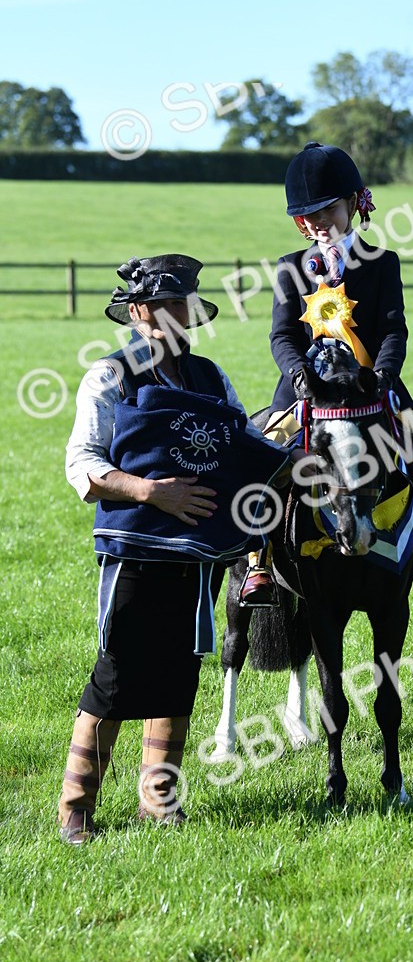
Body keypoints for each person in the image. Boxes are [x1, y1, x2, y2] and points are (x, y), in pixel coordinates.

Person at [59, 254, 287, 846]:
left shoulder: (210, 377)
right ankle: (76, 808)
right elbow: (82, 463)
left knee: (181, 671)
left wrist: (295, 452)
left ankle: (159, 803)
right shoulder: (110, 377)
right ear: (137, 311)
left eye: (182, 306)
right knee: (116, 672)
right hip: (133, 546)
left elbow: (243, 442)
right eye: (161, 306)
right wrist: (151, 492)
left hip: (199, 553)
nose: (173, 317)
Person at [240, 141, 413, 608]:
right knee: (260, 457)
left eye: (328, 209)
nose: (318, 222)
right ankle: (259, 565)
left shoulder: (382, 264)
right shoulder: (290, 268)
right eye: (308, 215)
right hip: (305, 394)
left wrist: (385, 377)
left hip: (372, 392)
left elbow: (394, 330)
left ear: (354, 203)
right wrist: (299, 376)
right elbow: (281, 336)